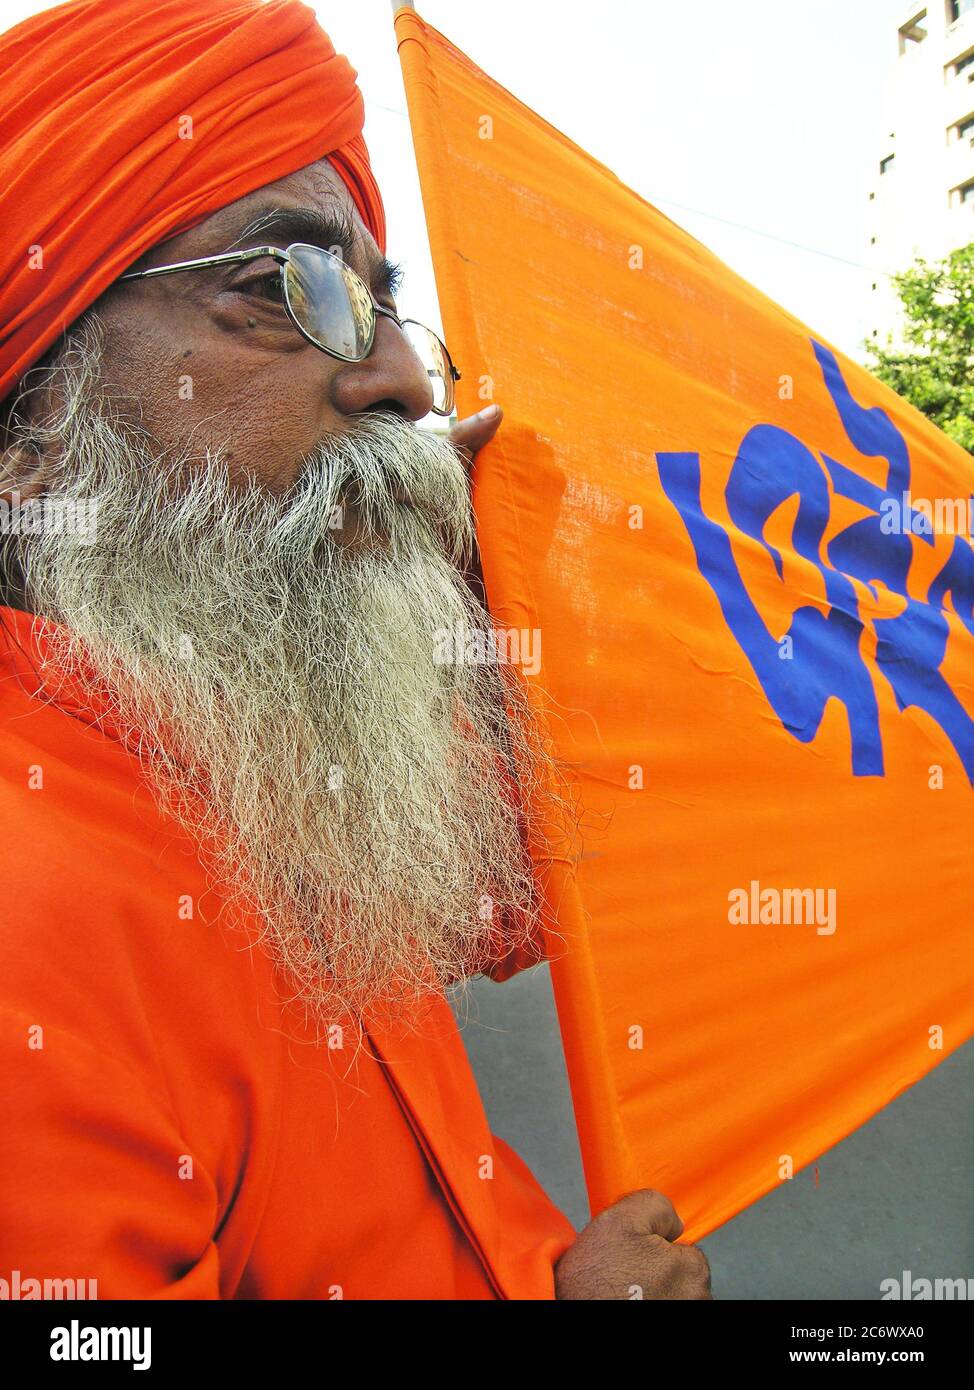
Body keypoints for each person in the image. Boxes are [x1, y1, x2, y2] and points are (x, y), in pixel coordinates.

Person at [0, 0, 711, 1300]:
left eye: (380, 302)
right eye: (288, 287)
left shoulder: (235, 734)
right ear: (32, 432)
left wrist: (526, 603)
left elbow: (500, 875)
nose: (404, 382)